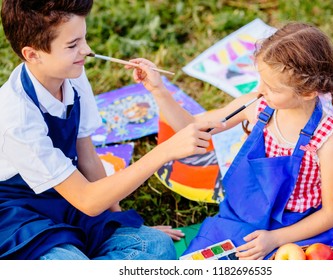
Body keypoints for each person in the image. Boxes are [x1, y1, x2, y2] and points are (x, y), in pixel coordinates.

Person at [0, 0, 223, 260]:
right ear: (32, 54)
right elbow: (88, 200)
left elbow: (87, 158)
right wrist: (164, 151)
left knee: (155, 246)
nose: (87, 50)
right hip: (19, 213)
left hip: (67, 199)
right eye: (72, 45)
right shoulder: (16, 118)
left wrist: (121, 223)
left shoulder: (72, 74)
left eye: (83, 38)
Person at [128, 22, 333, 260]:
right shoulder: (257, 107)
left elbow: (331, 213)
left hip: (297, 230)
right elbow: (188, 127)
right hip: (242, 216)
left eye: (272, 88)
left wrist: (275, 239)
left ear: (309, 92)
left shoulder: (327, 142)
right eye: (261, 80)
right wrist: (158, 90)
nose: (260, 90)